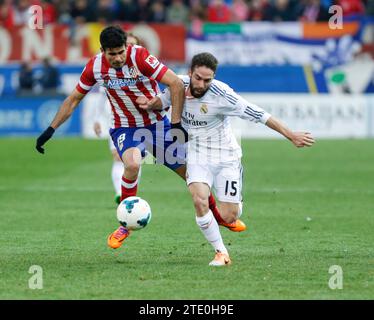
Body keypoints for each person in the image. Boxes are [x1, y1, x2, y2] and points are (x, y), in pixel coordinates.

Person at [35, 26, 243, 252]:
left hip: (156, 124)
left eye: (120, 52)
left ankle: (219, 217)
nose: (117, 57)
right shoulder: (95, 66)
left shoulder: (140, 56)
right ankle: (125, 224)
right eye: (111, 53)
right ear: (102, 50)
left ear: (127, 47)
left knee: (191, 175)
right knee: (132, 163)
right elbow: (74, 99)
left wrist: (174, 124)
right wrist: (51, 129)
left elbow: (174, 83)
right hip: (125, 127)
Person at [137, 52, 315, 266]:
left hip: (226, 157)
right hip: (197, 155)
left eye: (207, 80)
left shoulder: (223, 94)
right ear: (190, 73)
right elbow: (161, 102)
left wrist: (291, 135)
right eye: (198, 78)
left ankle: (235, 206)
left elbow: (260, 114)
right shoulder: (177, 86)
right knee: (199, 199)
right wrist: (149, 104)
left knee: (229, 216)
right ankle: (221, 252)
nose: (202, 84)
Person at [92, 33, 142, 204]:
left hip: (142, 121)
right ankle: (120, 194)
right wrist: (97, 119)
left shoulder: (142, 67)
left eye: (133, 45)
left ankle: (129, 193)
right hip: (117, 119)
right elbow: (101, 95)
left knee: (135, 160)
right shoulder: (108, 71)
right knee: (118, 156)